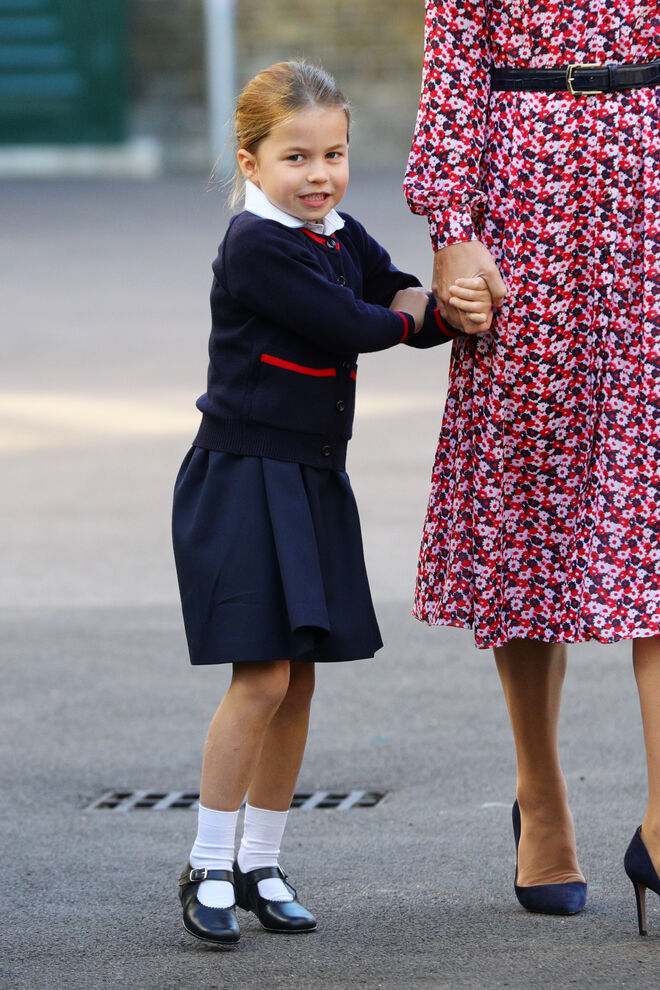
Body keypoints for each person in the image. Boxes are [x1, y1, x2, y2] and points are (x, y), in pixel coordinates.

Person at [172, 59, 494, 947]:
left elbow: (389, 284)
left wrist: (436, 306)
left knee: (300, 677)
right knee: (262, 677)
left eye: (335, 155)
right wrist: (436, 314)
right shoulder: (256, 245)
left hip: (311, 476)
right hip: (244, 476)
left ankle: (261, 862)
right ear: (251, 162)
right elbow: (356, 321)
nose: (319, 176)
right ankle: (207, 863)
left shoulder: (337, 232)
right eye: (296, 158)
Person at [405, 1, 660, 933]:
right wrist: (452, 229)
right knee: (527, 502)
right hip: (523, 212)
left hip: (649, 191)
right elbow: (453, 68)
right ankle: (541, 795)